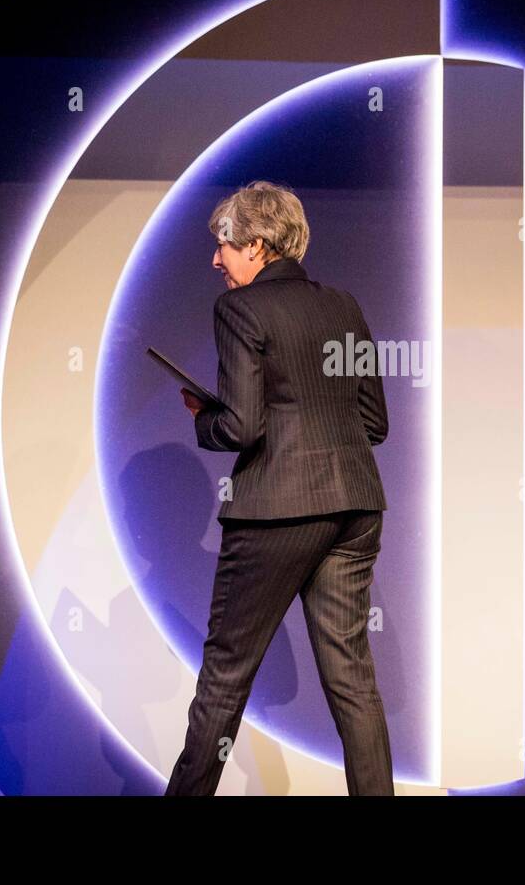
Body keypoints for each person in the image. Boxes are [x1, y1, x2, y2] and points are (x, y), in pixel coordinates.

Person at [165, 180, 394, 796]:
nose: (216, 259)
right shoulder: (344, 305)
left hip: (275, 512)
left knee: (224, 679)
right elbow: (376, 422)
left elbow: (241, 424)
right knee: (353, 683)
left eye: (224, 245)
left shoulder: (238, 310)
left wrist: (203, 418)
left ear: (258, 246)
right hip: (356, 507)